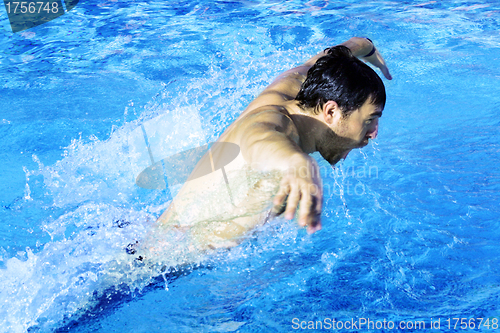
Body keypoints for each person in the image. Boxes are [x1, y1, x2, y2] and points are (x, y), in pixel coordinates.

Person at [143, 37, 392, 254]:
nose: (373, 134)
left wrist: (367, 47)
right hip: (158, 258)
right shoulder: (275, 123)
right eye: (370, 120)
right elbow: (259, 138)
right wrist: (297, 162)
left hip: (162, 235)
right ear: (331, 111)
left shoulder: (303, 83)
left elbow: (337, 54)